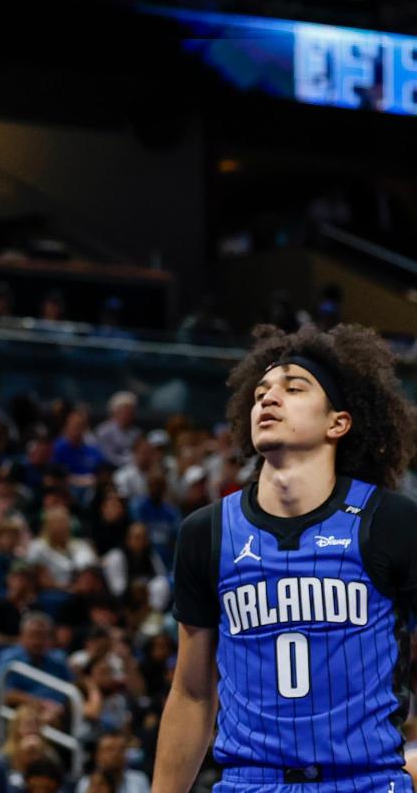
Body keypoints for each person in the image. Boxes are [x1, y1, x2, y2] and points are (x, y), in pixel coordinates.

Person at [154, 324, 417, 793]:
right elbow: (193, 693)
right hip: (248, 782)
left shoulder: (393, 522)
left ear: (338, 422)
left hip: (366, 782)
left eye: (294, 388)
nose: (269, 399)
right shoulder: (206, 532)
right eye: (260, 393)